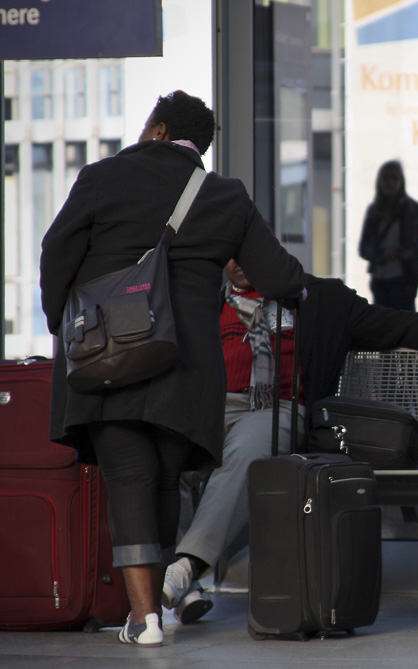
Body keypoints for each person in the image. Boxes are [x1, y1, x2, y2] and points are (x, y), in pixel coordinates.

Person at [39, 91, 306, 647]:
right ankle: (155, 611)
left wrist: (56, 321)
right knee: (161, 478)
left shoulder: (102, 177)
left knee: (128, 476)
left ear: (157, 130)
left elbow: (57, 253)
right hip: (185, 364)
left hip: (108, 350)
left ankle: (145, 617)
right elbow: (281, 279)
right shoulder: (224, 196)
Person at [161, 263, 418, 624]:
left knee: (248, 451)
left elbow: (400, 326)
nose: (237, 263)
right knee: (159, 451)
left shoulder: (318, 300)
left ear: (265, 252)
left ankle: (188, 564)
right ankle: (185, 583)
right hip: (211, 407)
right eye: (229, 255)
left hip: (278, 409)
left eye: (246, 253)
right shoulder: (204, 300)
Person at [359, 160, 418, 311]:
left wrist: (413, 254)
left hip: (406, 281)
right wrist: (382, 255)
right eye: (386, 178)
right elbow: (364, 248)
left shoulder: (416, 211)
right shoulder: (374, 212)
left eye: (394, 178)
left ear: (401, 181)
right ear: (379, 182)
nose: (390, 182)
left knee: (404, 326)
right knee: (381, 326)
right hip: (380, 280)